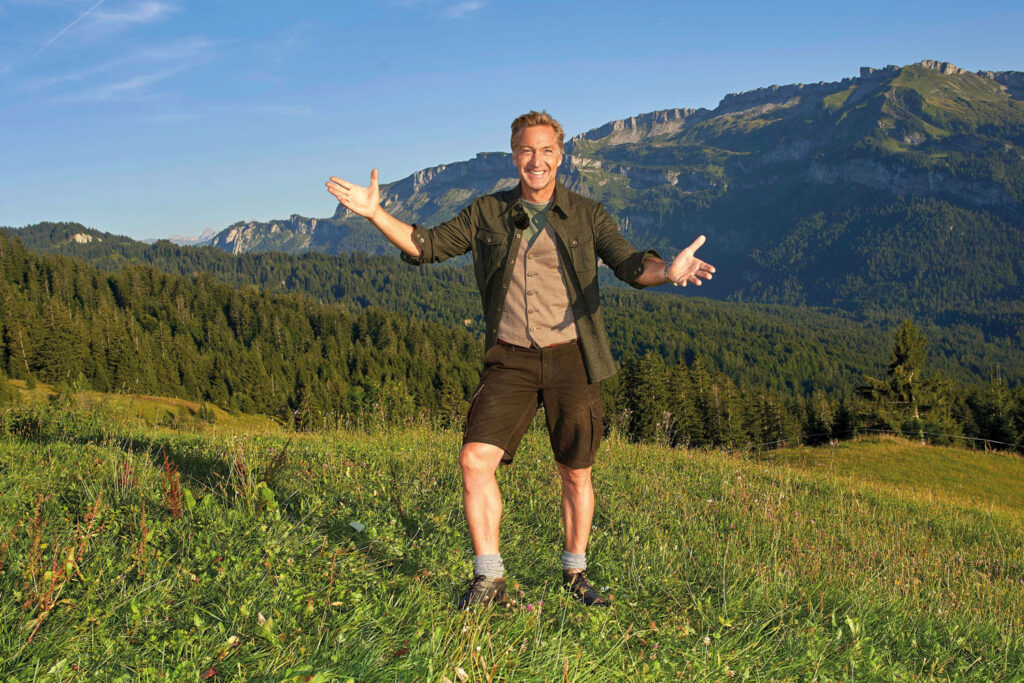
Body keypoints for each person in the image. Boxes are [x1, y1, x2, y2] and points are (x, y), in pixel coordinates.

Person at [326, 110, 715, 608]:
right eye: (527, 151)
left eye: (546, 150)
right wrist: (376, 213)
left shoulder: (588, 214)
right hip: (509, 358)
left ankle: (575, 573)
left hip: (572, 358)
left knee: (576, 470)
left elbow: (629, 263)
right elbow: (427, 246)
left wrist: (668, 272)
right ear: (515, 156)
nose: (537, 160)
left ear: (560, 155)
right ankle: (489, 578)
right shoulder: (486, 211)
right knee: (473, 460)